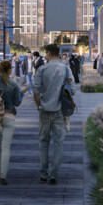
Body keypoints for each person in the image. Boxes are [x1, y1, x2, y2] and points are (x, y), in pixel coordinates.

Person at [33, 43, 75, 185]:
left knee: (43, 142)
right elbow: (72, 90)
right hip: (60, 112)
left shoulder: (42, 69)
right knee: (58, 143)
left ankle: (43, 174)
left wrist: (39, 106)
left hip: (44, 110)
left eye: (46, 53)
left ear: (49, 54)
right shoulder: (66, 69)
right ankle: (53, 175)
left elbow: (36, 91)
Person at [0, 59, 25, 185]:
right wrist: (22, 93)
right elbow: (17, 103)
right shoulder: (13, 84)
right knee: (6, 147)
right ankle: (3, 175)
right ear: (9, 70)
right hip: (9, 116)